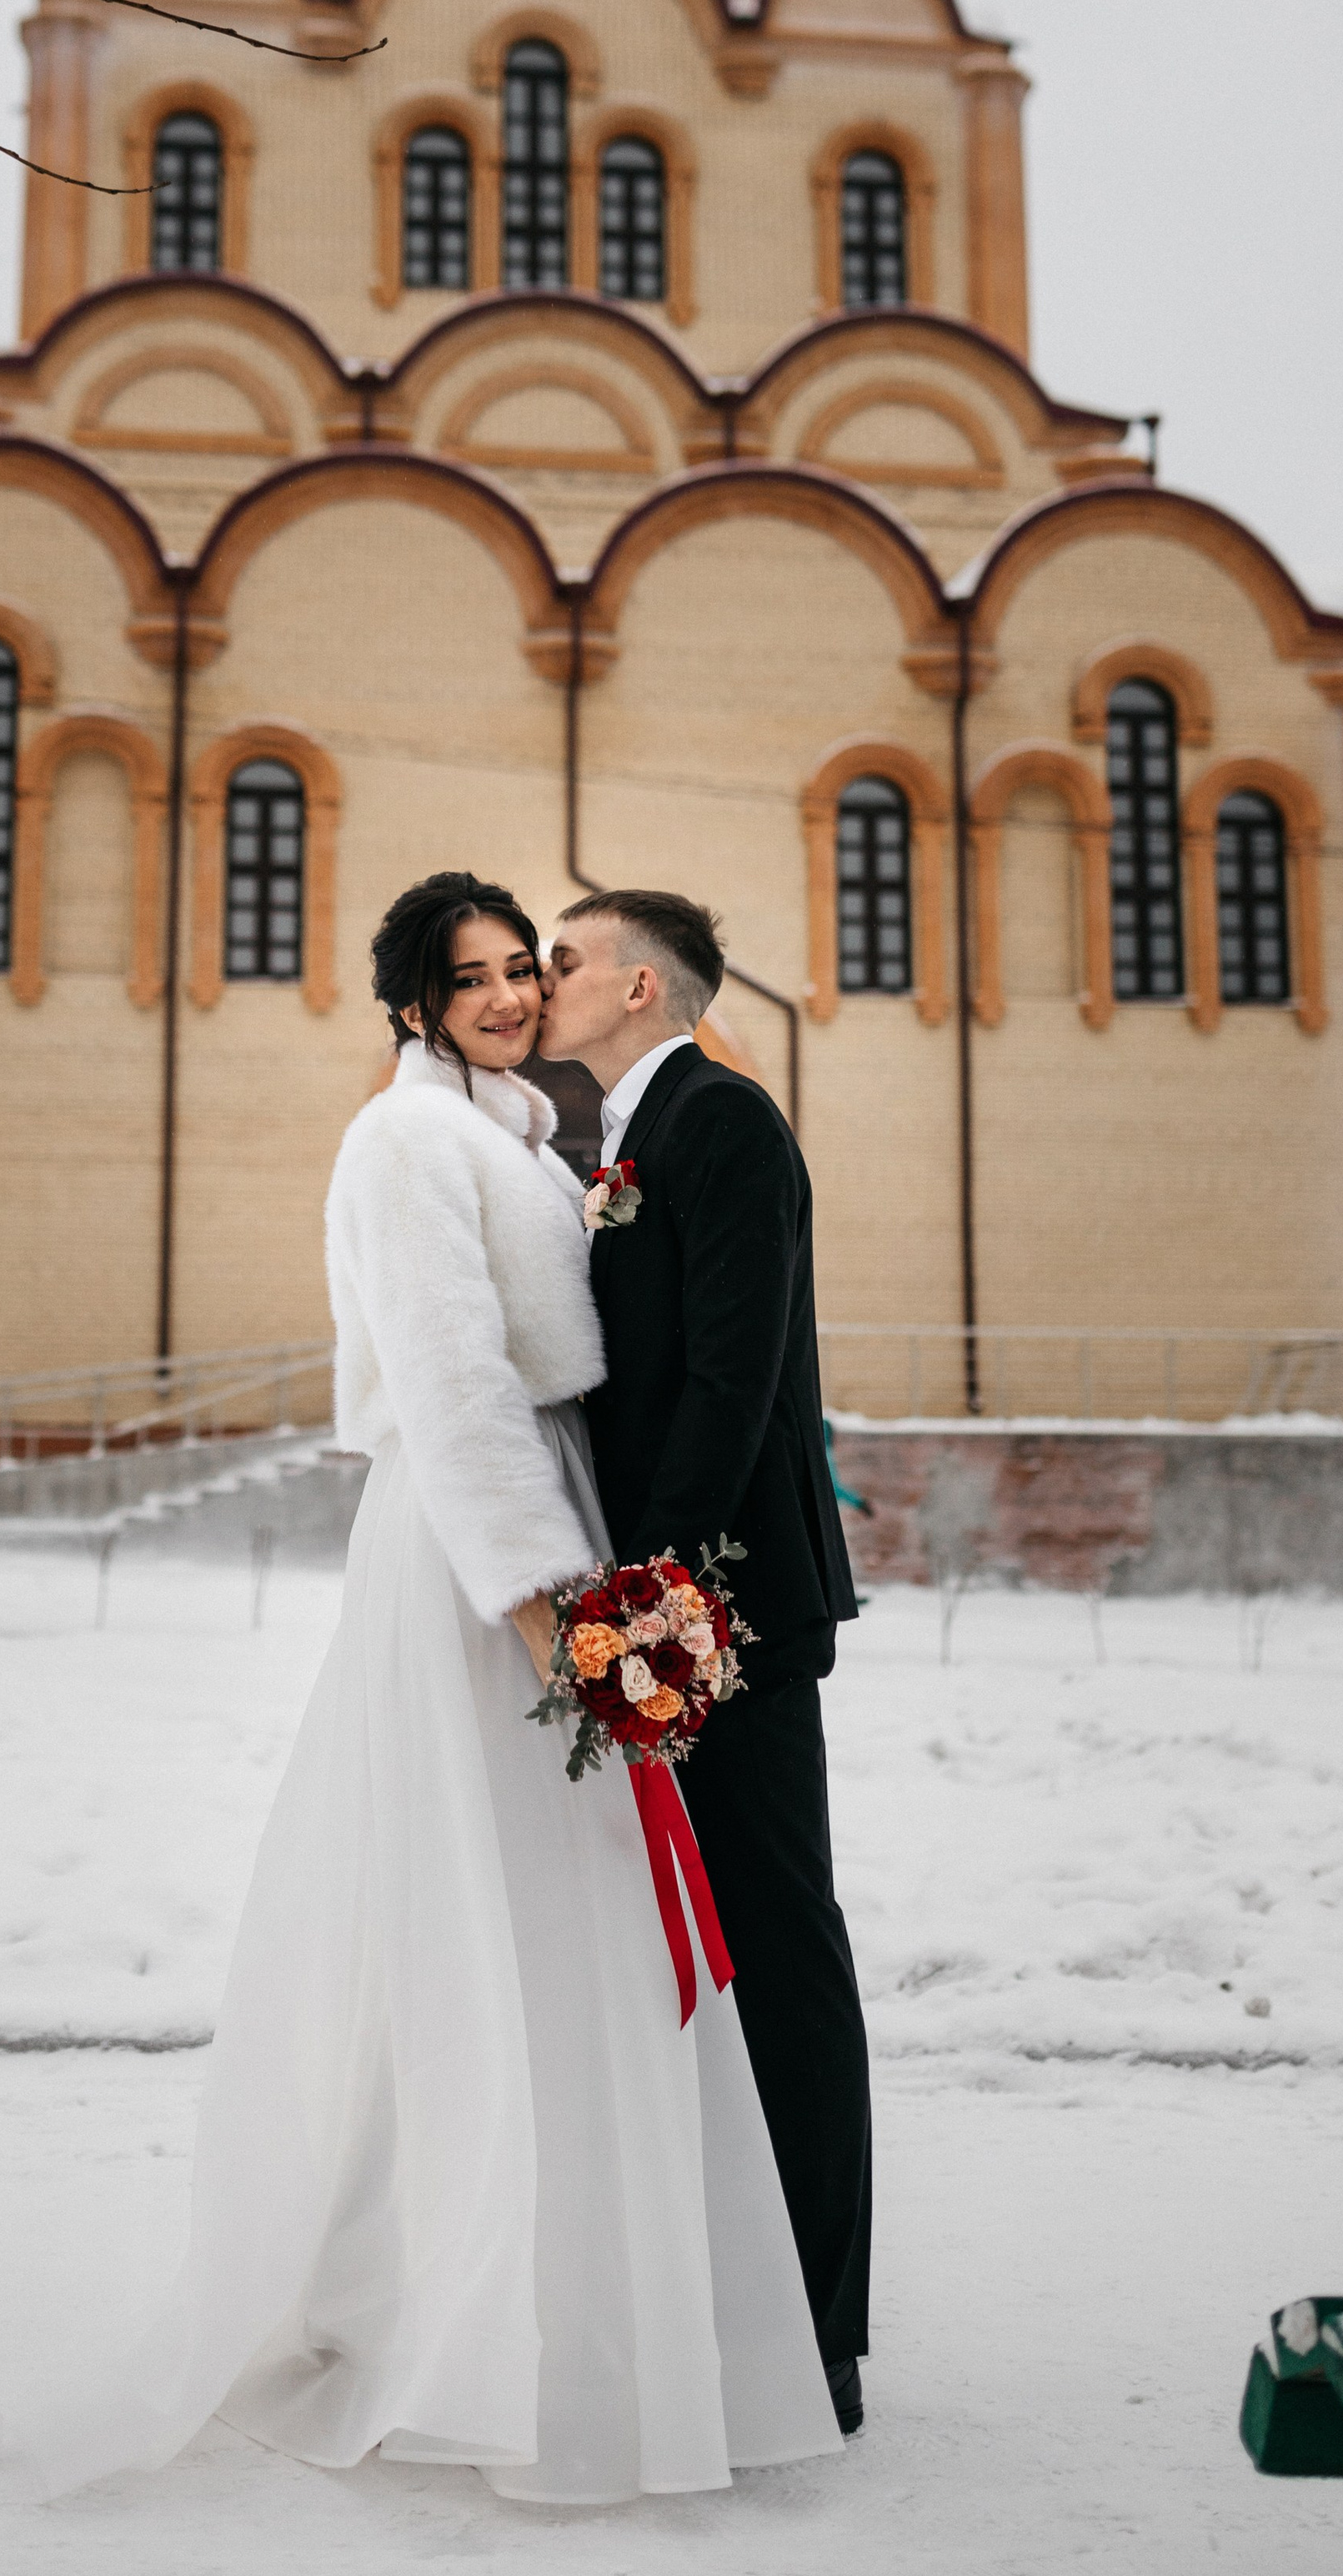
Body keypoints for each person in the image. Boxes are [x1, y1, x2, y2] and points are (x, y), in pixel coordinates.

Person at [0, 871, 840, 2505]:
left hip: (564, 1531)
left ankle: (583, 2291)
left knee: (567, 1938)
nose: (512, 992)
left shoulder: (519, 1133)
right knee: (491, 1925)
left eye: (523, 965)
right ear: (410, 1003)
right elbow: (455, 1391)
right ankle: (473, 2311)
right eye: (472, 977)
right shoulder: (405, 1144)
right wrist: (544, 1610)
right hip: (487, 1566)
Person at [539, 888, 873, 2435]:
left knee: (779, 1935)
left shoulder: (722, 1120)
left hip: (721, 1597)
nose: (541, 982)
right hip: (677, 1594)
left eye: (562, 959)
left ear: (641, 984)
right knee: (709, 1945)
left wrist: (649, 1599)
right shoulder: (620, 1137)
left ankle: (823, 2329)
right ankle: (731, 2297)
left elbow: (739, 1375)